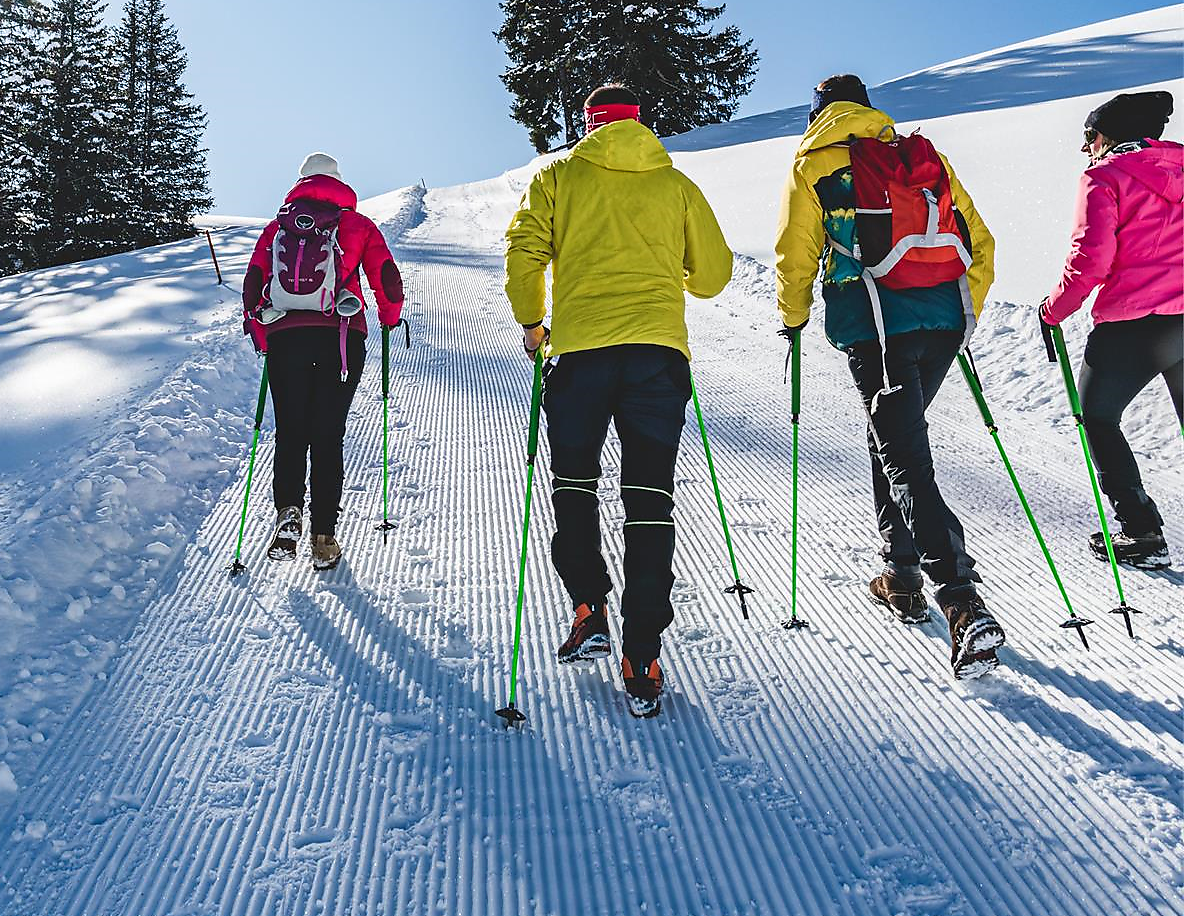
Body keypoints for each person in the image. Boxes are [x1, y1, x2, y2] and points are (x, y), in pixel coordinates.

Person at [504, 85, 732, 719]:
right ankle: (643, 651)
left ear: (589, 124)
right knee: (649, 501)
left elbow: (524, 252)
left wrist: (532, 320)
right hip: (658, 358)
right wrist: (666, 273)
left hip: (578, 356)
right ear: (640, 121)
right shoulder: (675, 183)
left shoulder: (558, 176)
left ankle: (588, 606)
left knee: (574, 484)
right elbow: (712, 276)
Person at [775, 73, 1003, 678]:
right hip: (942, 324)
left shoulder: (815, 162)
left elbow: (796, 252)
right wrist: (965, 309)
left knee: (902, 452)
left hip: (876, 327)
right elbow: (980, 242)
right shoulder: (920, 154)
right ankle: (899, 572)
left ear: (818, 110)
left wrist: (792, 318)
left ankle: (959, 597)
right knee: (892, 436)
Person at [1040, 89, 1182, 570]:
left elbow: (1091, 260)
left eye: (1091, 134)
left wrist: (1053, 311)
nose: (1087, 146)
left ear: (1110, 135)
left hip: (1134, 325)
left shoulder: (1104, 176)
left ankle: (1142, 533)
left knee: (1097, 417)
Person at [242, 152, 405, 570]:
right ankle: (324, 535)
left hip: (286, 338)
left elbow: (254, 284)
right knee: (328, 434)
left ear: (301, 182)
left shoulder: (279, 227)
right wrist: (388, 319)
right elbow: (386, 278)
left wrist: (264, 336)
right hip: (342, 338)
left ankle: (288, 513)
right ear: (339, 181)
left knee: (292, 431)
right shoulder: (357, 225)